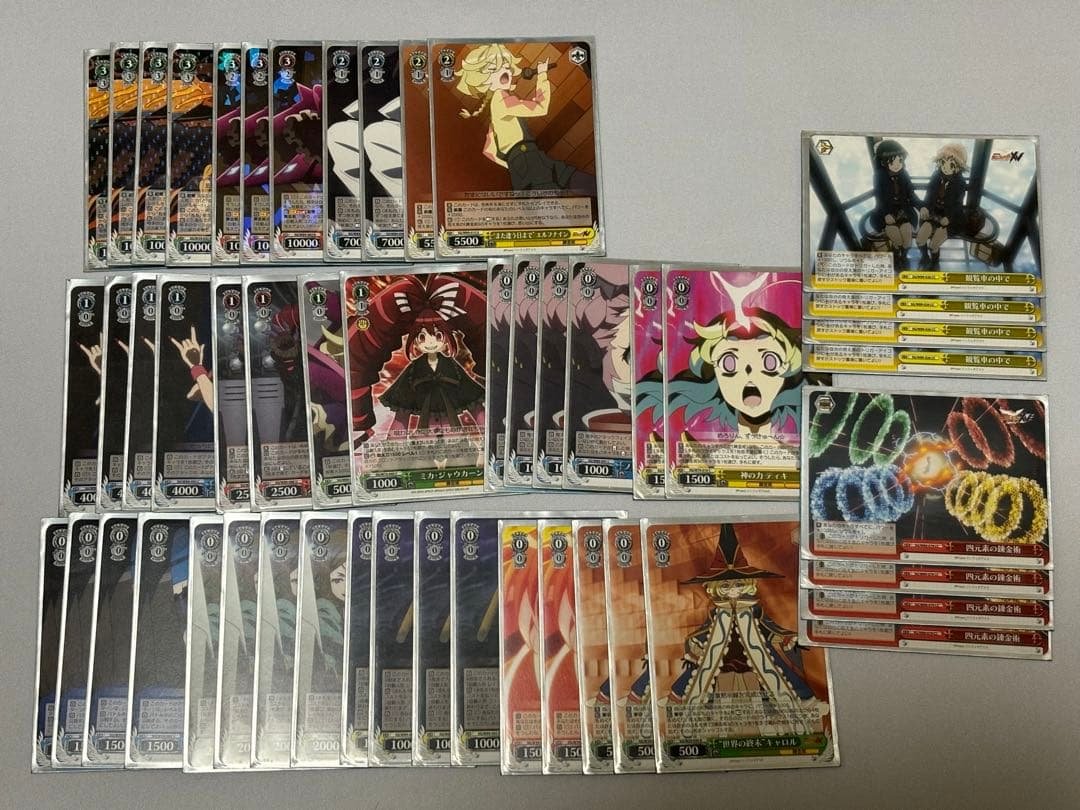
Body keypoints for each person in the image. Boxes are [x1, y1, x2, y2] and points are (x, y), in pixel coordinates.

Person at [455, 43, 595, 194]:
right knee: (565, 181)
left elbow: (489, 151)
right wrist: (542, 75)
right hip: (528, 159)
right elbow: (540, 107)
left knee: (570, 178)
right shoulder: (501, 99)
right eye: (494, 69)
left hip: (528, 160)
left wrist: (514, 165)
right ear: (482, 81)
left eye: (506, 66)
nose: (505, 71)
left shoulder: (495, 113)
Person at [917, 143, 969, 268]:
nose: (946, 167)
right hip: (933, 214)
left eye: (951, 164)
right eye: (943, 162)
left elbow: (958, 205)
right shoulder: (936, 176)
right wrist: (924, 208)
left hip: (949, 219)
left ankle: (935, 263)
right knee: (920, 240)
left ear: (959, 167)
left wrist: (948, 218)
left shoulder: (960, 182)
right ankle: (925, 257)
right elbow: (929, 196)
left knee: (933, 245)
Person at [871, 139, 919, 268]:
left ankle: (903, 255)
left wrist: (922, 206)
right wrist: (886, 214)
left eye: (900, 160)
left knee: (907, 241)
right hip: (885, 212)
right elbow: (879, 197)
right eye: (892, 161)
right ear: (883, 162)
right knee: (896, 237)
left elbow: (911, 194)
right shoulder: (879, 176)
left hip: (904, 212)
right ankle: (896, 254)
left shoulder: (904, 174)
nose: (897, 165)